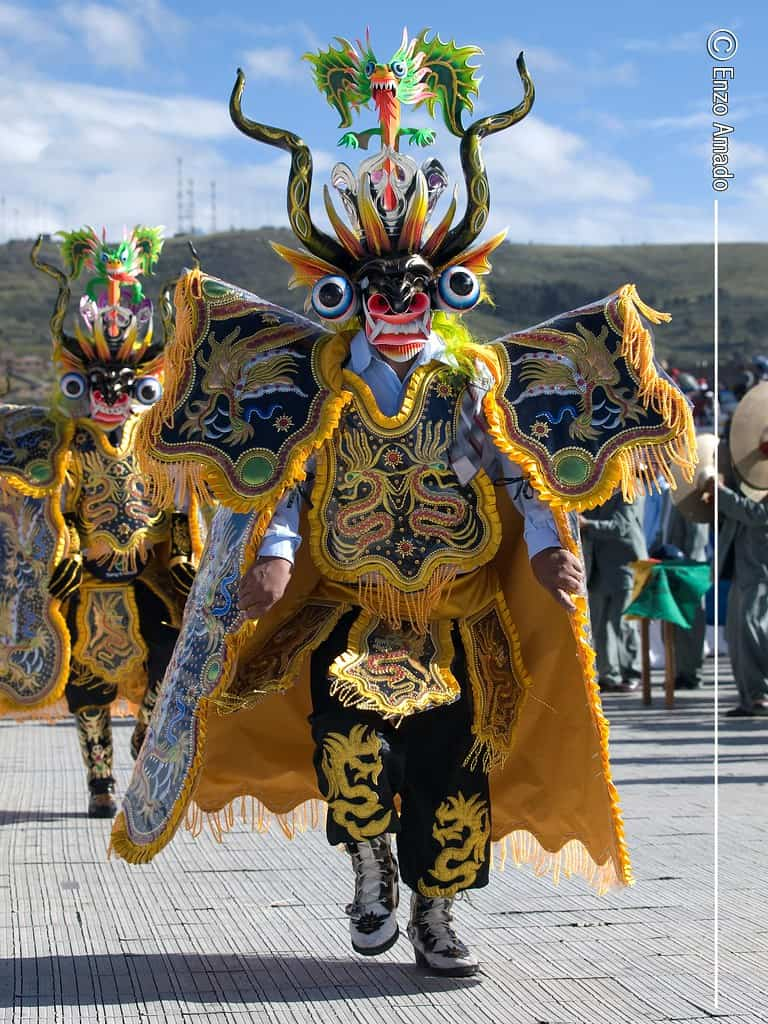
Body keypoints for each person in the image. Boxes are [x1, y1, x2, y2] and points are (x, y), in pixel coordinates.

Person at [112, 32, 695, 976]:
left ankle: (438, 913)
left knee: (452, 776)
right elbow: (294, 480)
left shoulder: (474, 383)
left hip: (460, 620)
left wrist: (551, 542)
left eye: (416, 287)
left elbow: (519, 472)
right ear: (351, 293)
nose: (397, 303)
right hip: (347, 617)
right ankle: (371, 866)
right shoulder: (324, 386)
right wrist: (273, 552)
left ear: (445, 291)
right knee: (352, 755)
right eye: (379, 288)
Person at [0, 229, 197, 816]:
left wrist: (183, 554)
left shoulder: (159, 444)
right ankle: (98, 780)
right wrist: (62, 557)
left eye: (122, 384)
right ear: (80, 386)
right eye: (98, 384)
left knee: (169, 658)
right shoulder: (72, 446)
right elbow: (55, 509)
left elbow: (179, 505)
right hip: (91, 584)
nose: (111, 396)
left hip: (148, 580)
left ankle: (145, 740)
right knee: (88, 684)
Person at [580, 495, 648, 692]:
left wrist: (587, 524)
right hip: (598, 570)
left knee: (624, 624)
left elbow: (621, 526)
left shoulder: (629, 494)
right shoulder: (595, 493)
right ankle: (608, 674)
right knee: (600, 625)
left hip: (625, 569)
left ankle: (632, 673)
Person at [712, 479, 768, 716]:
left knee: (751, 628)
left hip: (760, 569)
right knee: (735, 634)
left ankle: (761, 694)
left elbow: (756, 514)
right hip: (741, 568)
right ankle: (748, 697)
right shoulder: (748, 481)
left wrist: (721, 493)